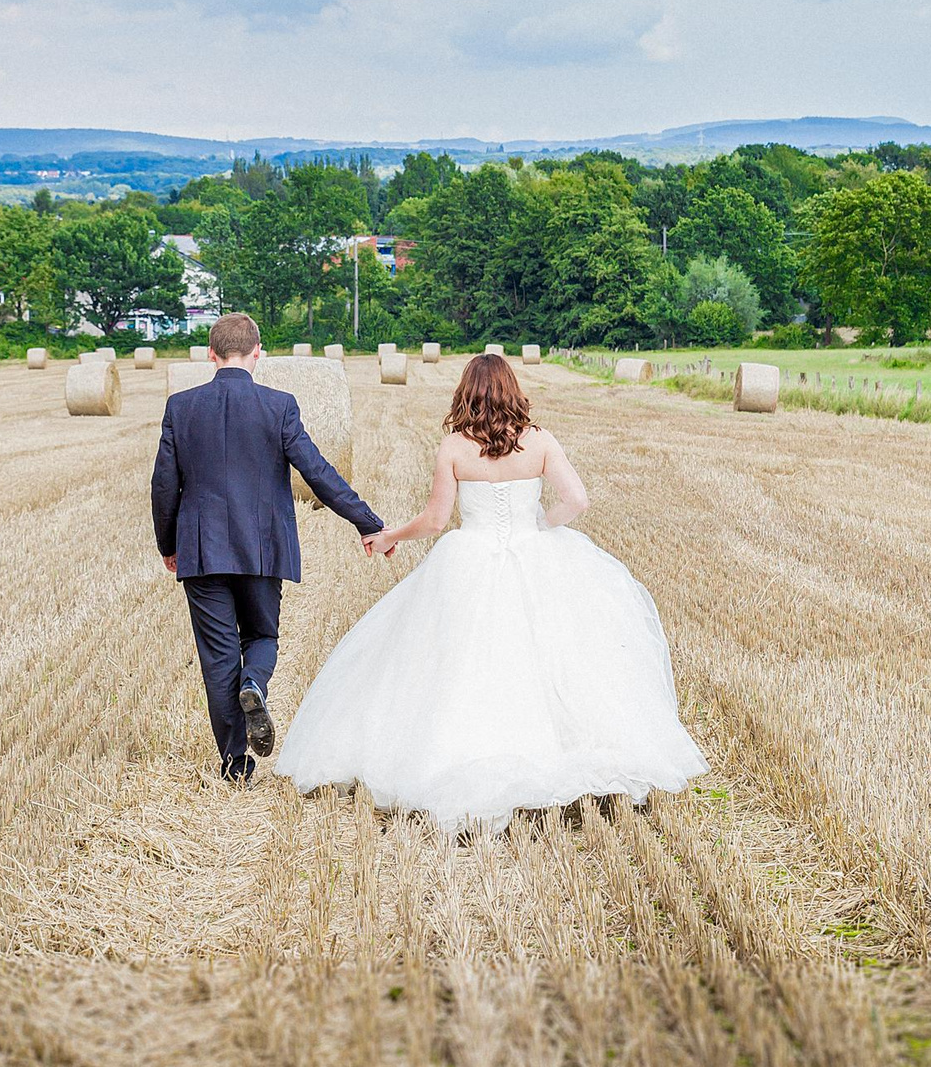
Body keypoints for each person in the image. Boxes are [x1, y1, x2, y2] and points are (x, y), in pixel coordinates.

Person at [274, 352, 706, 832]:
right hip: (533, 547)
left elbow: (437, 520)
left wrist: (391, 534)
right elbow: (577, 500)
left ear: (466, 393)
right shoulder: (539, 441)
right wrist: (541, 526)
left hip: (469, 556)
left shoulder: (455, 447)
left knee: (460, 663)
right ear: (512, 389)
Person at [151, 312, 385, 783]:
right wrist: (366, 521)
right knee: (262, 637)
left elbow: (163, 485)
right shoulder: (279, 406)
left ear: (211, 355)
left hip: (202, 550)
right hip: (261, 548)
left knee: (218, 656)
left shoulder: (181, 406)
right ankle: (255, 684)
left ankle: (236, 762)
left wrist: (169, 543)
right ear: (258, 352)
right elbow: (317, 472)